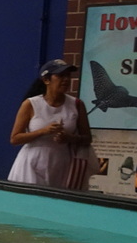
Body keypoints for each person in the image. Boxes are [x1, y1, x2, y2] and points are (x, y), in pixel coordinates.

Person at [9, 60, 93, 190]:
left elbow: (87, 138)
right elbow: (15, 138)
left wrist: (69, 138)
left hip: (62, 163)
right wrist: (42, 131)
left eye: (68, 76)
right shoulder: (31, 104)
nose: (66, 80)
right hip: (32, 163)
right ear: (46, 80)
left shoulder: (77, 104)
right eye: (60, 76)